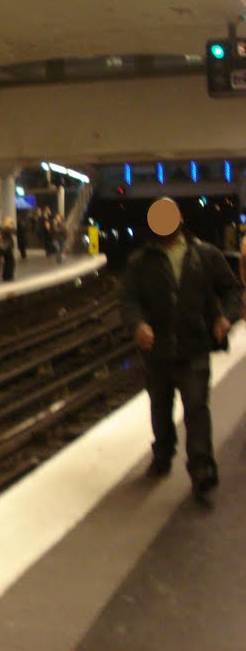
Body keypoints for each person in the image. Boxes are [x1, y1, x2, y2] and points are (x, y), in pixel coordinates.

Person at [121, 197, 241, 504]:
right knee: (160, 408)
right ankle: (163, 453)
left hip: (194, 347)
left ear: (179, 222)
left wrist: (226, 317)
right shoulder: (141, 261)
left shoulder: (205, 255)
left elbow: (230, 288)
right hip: (157, 352)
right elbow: (129, 301)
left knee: (197, 408)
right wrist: (138, 325)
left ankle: (201, 469)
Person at [0, 218, 17, 282]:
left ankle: (6, 276)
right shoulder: (7, 229)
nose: (12, 224)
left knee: (7, 262)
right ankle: (9, 276)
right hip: (8, 248)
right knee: (10, 262)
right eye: (11, 223)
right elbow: (15, 232)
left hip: (5, 248)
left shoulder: (4, 230)